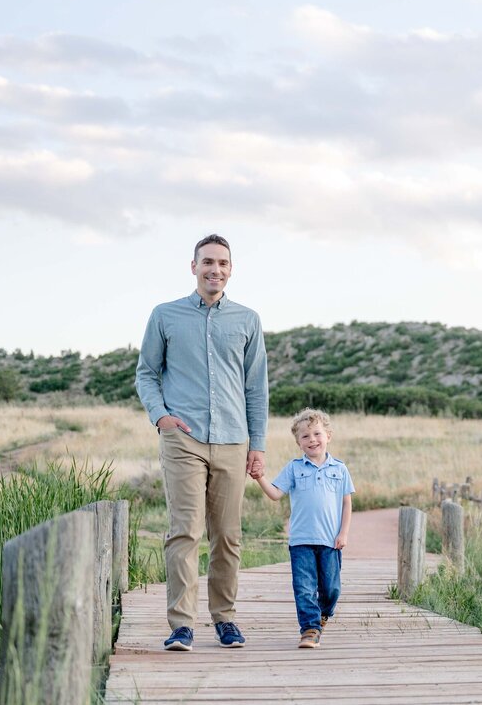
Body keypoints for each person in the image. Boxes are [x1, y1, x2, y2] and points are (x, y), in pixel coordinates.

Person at [135, 233, 269, 651]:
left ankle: (225, 618)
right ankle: (181, 625)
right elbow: (146, 373)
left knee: (228, 535)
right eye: (207, 262)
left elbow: (256, 388)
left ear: (231, 270)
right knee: (184, 532)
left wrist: (257, 444)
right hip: (183, 440)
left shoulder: (247, 320)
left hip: (233, 439)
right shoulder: (165, 315)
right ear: (193, 266)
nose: (215, 269)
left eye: (223, 264)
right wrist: (162, 418)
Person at [252, 408, 354, 649]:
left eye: (317, 434)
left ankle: (323, 614)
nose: (312, 440)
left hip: (330, 540)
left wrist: (343, 533)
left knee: (331, 588)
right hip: (301, 541)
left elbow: (346, 503)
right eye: (305, 436)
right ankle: (309, 629)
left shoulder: (339, 469)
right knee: (304, 587)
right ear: (298, 441)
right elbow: (276, 494)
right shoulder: (294, 468)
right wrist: (259, 478)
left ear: (328, 435)